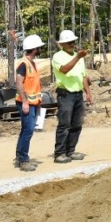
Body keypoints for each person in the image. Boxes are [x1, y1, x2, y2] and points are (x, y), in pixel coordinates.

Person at [51, 30, 93, 163]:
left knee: (77, 124)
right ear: (62, 44)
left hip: (77, 94)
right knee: (64, 124)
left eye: (72, 42)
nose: (71, 45)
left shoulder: (78, 57)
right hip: (66, 94)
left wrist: (88, 92)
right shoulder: (58, 56)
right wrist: (77, 58)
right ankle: (60, 153)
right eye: (68, 42)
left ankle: (71, 150)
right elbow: (64, 69)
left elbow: (83, 76)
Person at [13, 34, 46, 171]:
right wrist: (25, 102)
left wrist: (37, 103)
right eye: (39, 47)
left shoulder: (32, 63)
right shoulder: (24, 63)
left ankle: (20, 157)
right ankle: (23, 160)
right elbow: (19, 83)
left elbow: (34, 86)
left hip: (33, 103)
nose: (40, 49)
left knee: (26, 130)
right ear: (34, 49)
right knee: (28, 131)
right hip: (25, 103)